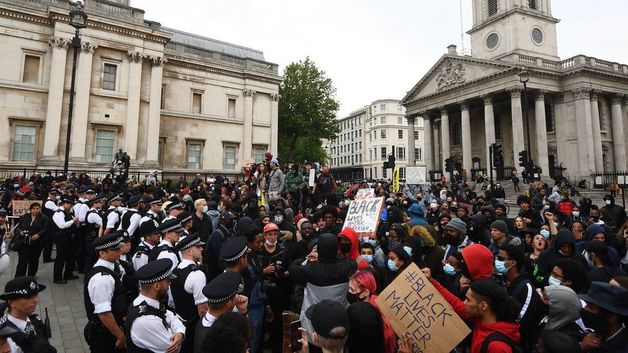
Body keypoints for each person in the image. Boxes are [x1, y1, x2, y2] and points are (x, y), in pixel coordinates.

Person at [424, 270, 522, 353]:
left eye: (468, 300)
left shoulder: (498, 347)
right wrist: (432, 281)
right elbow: (455, 303)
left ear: (483, 306)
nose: (464, 303)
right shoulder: (480, 318)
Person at [289, 233, 357, 347]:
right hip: (339, 317)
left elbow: (293, 269)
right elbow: (351, 262)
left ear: (319, 250)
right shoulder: (347, 267)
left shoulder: (311, 270)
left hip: (314, 319)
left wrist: (306, 258)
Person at [126, 258, 186, 353]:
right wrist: (177, 330)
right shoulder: (145, 320)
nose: (170, 284)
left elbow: (169, 316)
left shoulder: (146, 302)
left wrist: (179, 331)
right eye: (167, 281)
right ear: (157, 286)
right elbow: (174, 349)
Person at [83, 233, 127, 353]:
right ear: (102, 253)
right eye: (115, 249)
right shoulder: (102, 278)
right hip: (104, 333)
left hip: (111, 328)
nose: (119, 251)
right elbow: (104, 313)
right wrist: (119, 335)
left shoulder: (111, 268)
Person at [497, 244, 544, 353]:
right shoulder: (501, 281)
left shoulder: (526, 287)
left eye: (501, 259)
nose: (497, 261)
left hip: (516, 343)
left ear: (513, 263)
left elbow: (520, 320)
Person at [194, 271, 249, 352]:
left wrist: (243, 311)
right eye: (234, 297)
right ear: (229, 304)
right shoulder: (220, 337)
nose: (237, 297)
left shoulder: (205, 321)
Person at [171, 234, 207, 353]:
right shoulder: (197, 274)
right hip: (194, 329)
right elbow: (202, 310)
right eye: (198, 247)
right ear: (190, 251)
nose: (202, 249)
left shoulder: (175, 271)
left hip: (179, 324)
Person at [0, 276, 55, 353]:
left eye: (36, 295)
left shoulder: (34, 320)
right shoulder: (7, 337)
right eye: (28, 297)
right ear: (11, 303)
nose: (36, 300)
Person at [579, 281, 628, 352]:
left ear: (612, 317)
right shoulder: (595, 334)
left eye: (591, 307)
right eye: (586, 305)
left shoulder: (622, 347)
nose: (585, 309)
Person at [14, 203, 48, 278]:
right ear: (30, 209)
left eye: (37, 208)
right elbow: (18, 227)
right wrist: (21, 232)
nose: (35, 210)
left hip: (36, 243)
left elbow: (45, 229)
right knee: (22, 261)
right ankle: (19, 277)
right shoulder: (25, 216)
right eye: (34, 209)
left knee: (34, 260)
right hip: (24, 242)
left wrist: (38, 234)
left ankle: (30, 276)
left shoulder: (44, 218)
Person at [51, 195, 79, 284]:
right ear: (64, 203)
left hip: (69, 237)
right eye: (70, 204)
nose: (71, 206)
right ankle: (57, 277)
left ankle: (68, 274)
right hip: (61, 238)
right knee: (61, 258)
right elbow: (61, 225)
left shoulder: (67, 212)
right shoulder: (58, 213)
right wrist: (73, 221)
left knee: (71, 256)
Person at [204, 211, 236, 280]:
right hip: (216, 271)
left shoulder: (229, 232)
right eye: (229, 219)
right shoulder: (218, 234)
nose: (232, 221)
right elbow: (218, 254)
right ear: (223, 221)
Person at [41, 189, 59, 263]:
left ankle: (47, 257)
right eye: (53, 195)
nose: (54, 196)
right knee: (48, 242)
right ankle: (46, 258)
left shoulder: (49, 201)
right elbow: (57, 209)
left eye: (55, 195)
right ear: (49, 195)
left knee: (49, 242)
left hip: (48, 223)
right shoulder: (49, 203)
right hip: (48, 224)